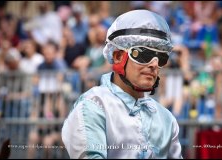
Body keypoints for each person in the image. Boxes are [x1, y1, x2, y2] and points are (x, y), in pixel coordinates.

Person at [62, 10, 183, 159]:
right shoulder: (93, 106)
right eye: (144, 53)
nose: (154, 64)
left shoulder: (167, 119)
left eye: (162, 57)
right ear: (118, 56)